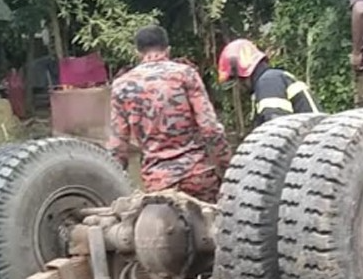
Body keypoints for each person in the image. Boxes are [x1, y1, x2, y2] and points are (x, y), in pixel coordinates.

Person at [108, 25, 231, 203]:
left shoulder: (121, 85)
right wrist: (227, 168)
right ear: (168, 50)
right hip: (198, 176)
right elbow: (210, 128)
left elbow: (118, 147)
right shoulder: (185, 74)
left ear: (137, 53)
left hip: (158, 183)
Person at [217, 38, 320, 128]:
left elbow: (277, 130)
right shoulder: (273, 79)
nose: (239, 87)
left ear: (243, 75)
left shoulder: (268, 82)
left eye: (236, 80)